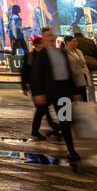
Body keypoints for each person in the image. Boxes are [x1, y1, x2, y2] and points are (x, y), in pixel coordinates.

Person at [31, 28, 80, 161]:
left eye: (51, 35)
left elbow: (68, 73)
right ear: (43, 39)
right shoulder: (41, 55)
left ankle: (71, 149)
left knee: (65, 120)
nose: (50, 37)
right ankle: (45, 130)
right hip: (49, 91)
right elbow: (36, 75)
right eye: (47, 36)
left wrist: (75, 92)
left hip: (63, 90)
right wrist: (38, 93)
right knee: (43, 112)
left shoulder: (62, 53)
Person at [20, 35, 61, 140]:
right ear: (37, 45)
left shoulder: (45, 55)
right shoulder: (30, 56)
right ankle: (39, 130)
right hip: (36, 88)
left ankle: (54, 126)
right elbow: (24, 72)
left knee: (43, 109)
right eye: (42, 43)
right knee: (42, 109)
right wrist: (24, 86)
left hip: (44, 87)